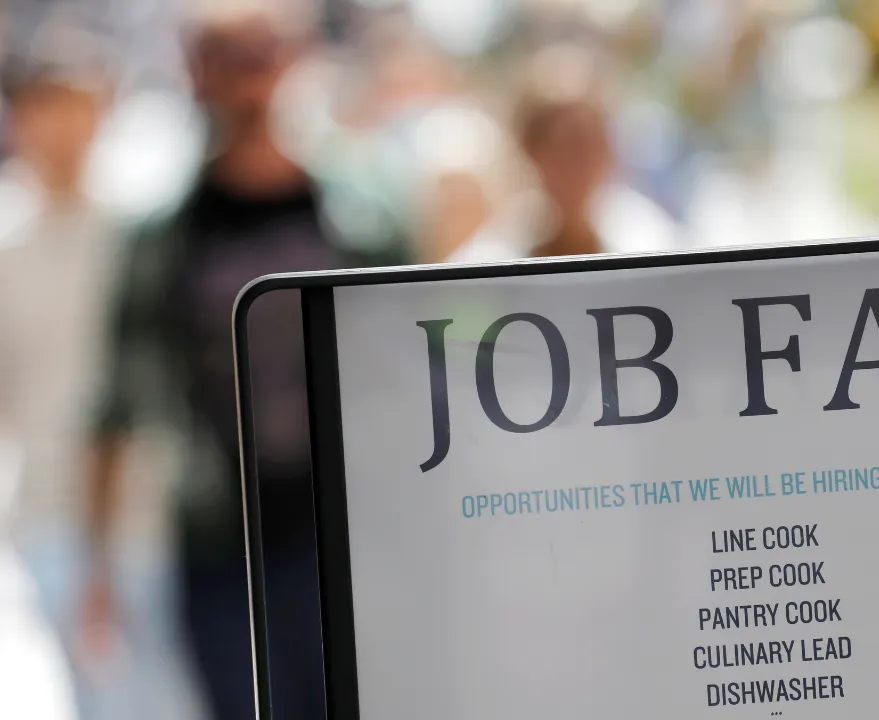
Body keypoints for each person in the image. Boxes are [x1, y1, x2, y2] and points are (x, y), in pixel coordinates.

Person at [84, 2, 410, 719]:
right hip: (221, 540)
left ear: (292, 63)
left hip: (350, 529)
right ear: (195, 72)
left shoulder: (362, 213)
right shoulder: (166, 235)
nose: (249, 81)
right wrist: (98, 570)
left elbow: (421, 365)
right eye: (228, 60)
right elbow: (116, 399)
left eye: (262, 57)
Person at [0, 22, 113, 720]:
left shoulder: (136, 226)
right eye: (47, 107)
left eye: (78, 105)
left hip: (144, 508)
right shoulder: (6, 240)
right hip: (45, 505)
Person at [449, 45, 679, 262]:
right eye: (565, 149)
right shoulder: (494, 256)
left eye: (590, 145)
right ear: (531, 153)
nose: (579, 165)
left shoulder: (651, 243)